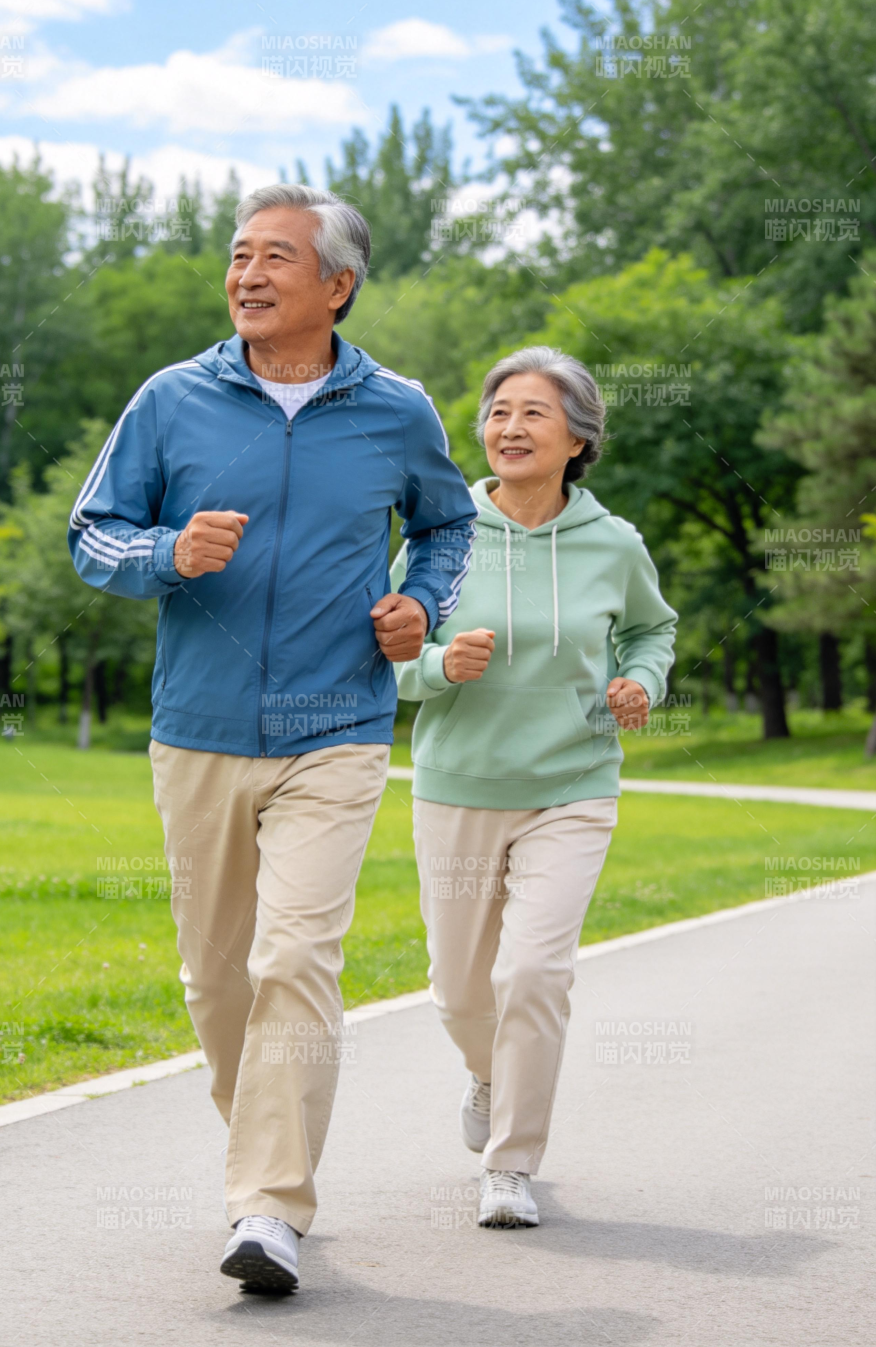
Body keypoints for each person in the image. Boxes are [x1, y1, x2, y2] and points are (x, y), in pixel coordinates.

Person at [69, 184, 477, 1293]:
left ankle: (268, 1206)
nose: (247, 275)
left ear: (338, 285)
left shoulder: (397, 410)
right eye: (239, 256)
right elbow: (91, 532)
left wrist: (420, 606)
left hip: (336, 728)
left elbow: (447, 523)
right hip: (196, 730)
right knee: (217, 981)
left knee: (295, 955)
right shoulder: (170, 400)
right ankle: (264, 1151)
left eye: (275, 259)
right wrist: (165, 555)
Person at [393, 345, 677, 1229]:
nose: (509, 428)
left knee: (534, 973)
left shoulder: (613, 543)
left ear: (577, 439)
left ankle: (510, 1163)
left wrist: (644, 683)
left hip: (574, 785)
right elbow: (389, 659)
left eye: (533, 414)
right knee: (460, 990)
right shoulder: (440, 534)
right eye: (498, 411)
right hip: (457, 786)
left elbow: (651, 633)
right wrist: (441, 664)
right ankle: (487, 1072)